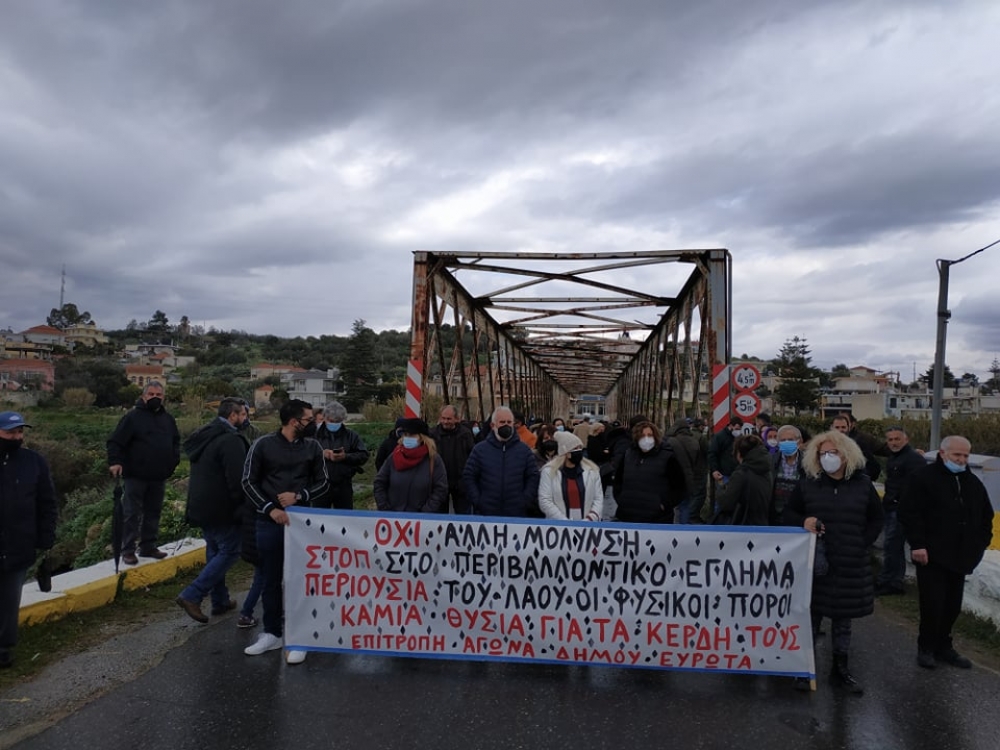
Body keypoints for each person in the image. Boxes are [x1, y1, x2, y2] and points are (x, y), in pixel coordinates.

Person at [784, 430, 883, 694]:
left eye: (833, 452)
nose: (828, 457)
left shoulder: (862, 485)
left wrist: (862, 542)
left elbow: (876, 518)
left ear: (846, 454)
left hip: (850, 562)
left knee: (843, 620)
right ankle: (805, 669)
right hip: (816, 563)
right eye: (822, 453)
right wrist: (802, 522)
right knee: (811, 617)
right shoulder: (808, 484)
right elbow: (788, 513)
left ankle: (840, 669)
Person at [241, 400, 328, 665]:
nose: (312, 423)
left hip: (302, 524)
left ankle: (300, 637)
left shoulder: (313, 447)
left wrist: (300, 496)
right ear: (294, 422)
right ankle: (272, 633)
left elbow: (323, 482)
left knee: (301, 581)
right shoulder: (263, 445)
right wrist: (270, 509)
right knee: (270, 578)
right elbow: (248, 481)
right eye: (308, 419)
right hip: (268, 523)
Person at [899, 436, 994, 670]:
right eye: (956, 455)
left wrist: (980, 544)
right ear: (943, 454)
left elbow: (985, 516)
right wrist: (918, 544)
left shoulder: (972, 483)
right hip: (931, 554)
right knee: (932, 603)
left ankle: (944, 646)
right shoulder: (923, 479)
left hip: (961, 556)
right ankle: (927, 647)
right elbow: (909, 512)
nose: (961, 460)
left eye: (965, 456)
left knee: (952, 604)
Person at [175, 398, 249, 623]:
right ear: (233, 416)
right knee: (230, 551)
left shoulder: (204, 436)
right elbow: (237, 480)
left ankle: (220, 601)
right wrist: (243, 506)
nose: (246, 419)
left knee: (215, 550)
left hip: (201, 506)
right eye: (244, 415)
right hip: (222, 507)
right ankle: (192, 594)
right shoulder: (230, 441)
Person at [0, 412, 57, 669]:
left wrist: (46, 538)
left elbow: (47, 503)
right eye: (11, 432)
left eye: (20, 432)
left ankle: (3, 648)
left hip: (19, 543)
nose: (17, 437)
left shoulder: (35, 462)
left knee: (10, 600)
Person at [106, 381, 180, 565]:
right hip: (135, 475)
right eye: (151, 394)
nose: (155, 398)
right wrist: (115, 462)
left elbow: (176, 442)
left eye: (159, 395)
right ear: (143, 396)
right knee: (132, 513)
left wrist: (172, 463)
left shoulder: (168, 419)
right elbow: (115, 442)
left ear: (163, 398)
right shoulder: (132, 418)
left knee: (153, 512)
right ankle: (128, 550)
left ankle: (148, 546)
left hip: (158, 476)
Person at [462, 406, 539, 517]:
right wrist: (478, 500)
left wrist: (525, 500)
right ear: (493, 425)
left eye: (509, 422)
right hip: (486, 513)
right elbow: (469, 476)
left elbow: (533, 476)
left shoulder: (524, 450)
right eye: (502, 422)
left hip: (516, 513)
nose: (506, 425)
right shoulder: (480, 450)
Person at [875, 426, 925, 596]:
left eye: (897, 439)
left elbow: (916, 487)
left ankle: (893, 583)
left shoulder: (913, 459)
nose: (894, 442)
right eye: (890, 439)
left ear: (906, 439)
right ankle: (887, 580)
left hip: (901, 510)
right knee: (891, 547)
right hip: (891, 507)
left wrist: (902, 505)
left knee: (892, 546)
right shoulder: (894, 458)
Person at [613, 420, 684, 524]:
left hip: (657, 519)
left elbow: (679, 487)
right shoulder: (628, 455)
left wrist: (664, 504)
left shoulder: (668, 457)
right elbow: (618, 481)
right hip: (628, 516)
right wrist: (622, 500)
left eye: (649, 435)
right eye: (642, 435)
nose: (646, 439)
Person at [374, 418, 448, 512]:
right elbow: (379, 482)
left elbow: (441, 489)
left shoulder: (433, 459)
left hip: (421, 521)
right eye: (405, 435)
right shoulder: (394, 456)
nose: (407, 438)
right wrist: (384, 507)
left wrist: (427, 511)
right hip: (393, 518)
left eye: (412, 435)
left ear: (422, 438)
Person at [313, 401, 368, 510]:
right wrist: (322, 454)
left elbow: (363, 455)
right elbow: (304, 455)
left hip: (344, 485)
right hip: (319, 485)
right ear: (325, 418)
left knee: (345, 519)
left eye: (337, 421)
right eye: (331, 421)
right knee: (319, 519)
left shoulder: (351, 436)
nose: (334, 424)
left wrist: (345, 457)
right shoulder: (314, 435)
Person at [538, 432, 604, 521]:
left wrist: (589, 520)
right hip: (558, 526)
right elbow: (545, 500)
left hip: (588, 526)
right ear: (566, 452)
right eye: (575, 448)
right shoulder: (549, 471)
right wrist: (565, 523)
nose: (579, 451)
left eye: (580, 448)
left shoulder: (592, 471)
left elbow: (598, 499)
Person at [714, 434, 771, 526]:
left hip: (743, 526)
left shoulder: (741, 473)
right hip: (763, 524)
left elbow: (726, 503)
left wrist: (721, 486)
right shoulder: (767, 470)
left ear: (739, 453)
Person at [429, 405, 476, 514]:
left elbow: (472, 457)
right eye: (443, 418)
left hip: (461, 483)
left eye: (449, 419)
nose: (445, 421)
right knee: (439, 517)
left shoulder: (465, 434)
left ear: (456, 419)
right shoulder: (432, 434)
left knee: (463, 517)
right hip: (439, 483)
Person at [664, 419, 702, 523]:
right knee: (685, 506)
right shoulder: (695, 442)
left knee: (672, 505)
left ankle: (673, 528)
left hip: (674, 479)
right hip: (689, 479)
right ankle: (684, 528)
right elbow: (698, 464)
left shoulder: (671, 441)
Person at [770, 424, 805, 526]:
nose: (786, 442)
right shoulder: (771, 461)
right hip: (774, 517)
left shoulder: (808, 463)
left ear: (799, 441)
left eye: (790, 439)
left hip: (798, 517)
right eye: (783, 440)